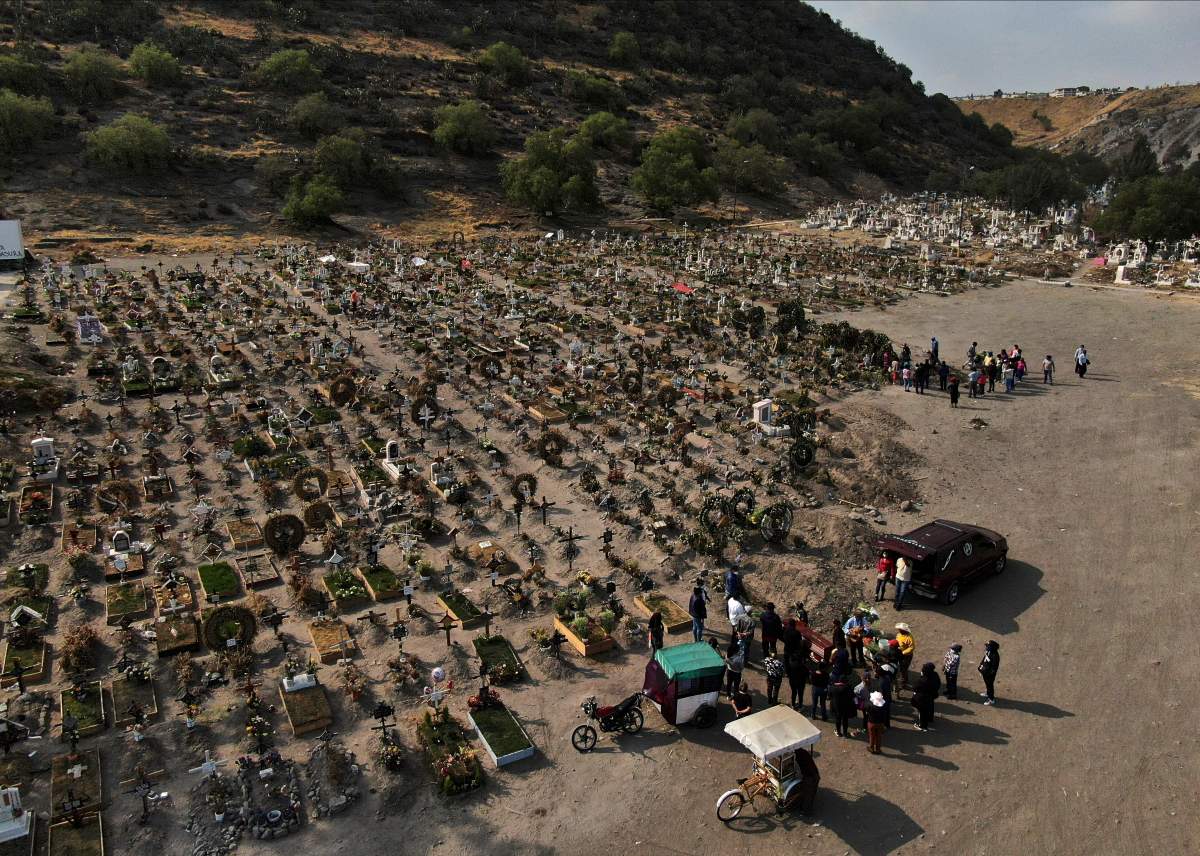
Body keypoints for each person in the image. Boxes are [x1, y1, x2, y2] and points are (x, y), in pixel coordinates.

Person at [911, 662, 941, 730]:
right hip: (931, 695)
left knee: (922, 711)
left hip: (923, 698)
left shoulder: (923, 680)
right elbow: (938, 684)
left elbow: (915, 688)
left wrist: (922, 676)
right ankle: (930, 718)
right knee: (930, 706)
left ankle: (922, 726)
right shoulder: (935, 675)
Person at [786, 633, 811, 709]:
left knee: (794, 692)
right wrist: (808, 679)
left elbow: (788, 671)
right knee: (800, 693)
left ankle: (793, 705)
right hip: (801, 681)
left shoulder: (791, 663)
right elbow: (806, 673)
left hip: (792, 680)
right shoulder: (803, 666)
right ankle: (800, 705)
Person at [978, 639, 1000, 704]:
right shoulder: (988, 652)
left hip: (989, 675)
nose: (986, 647)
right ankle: (988, 693)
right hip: (985, 672)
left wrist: (988, 674)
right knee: (987, 684)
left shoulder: (995, 656)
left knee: (990, 685)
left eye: (988, 646)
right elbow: (984, 660)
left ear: (992, 647)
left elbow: (994, 668)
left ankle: (991, 699)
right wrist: (980, 669)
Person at [894, 623, 915, 689]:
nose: (899, 630)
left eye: (900, 629)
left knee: (903, 669)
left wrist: (903, 652)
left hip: (906, 656)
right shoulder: (899, 634)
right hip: (900, 653)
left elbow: (912, 647)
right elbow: (897, 641)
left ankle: (904, 683)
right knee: (901, 667)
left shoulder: (909, 638)